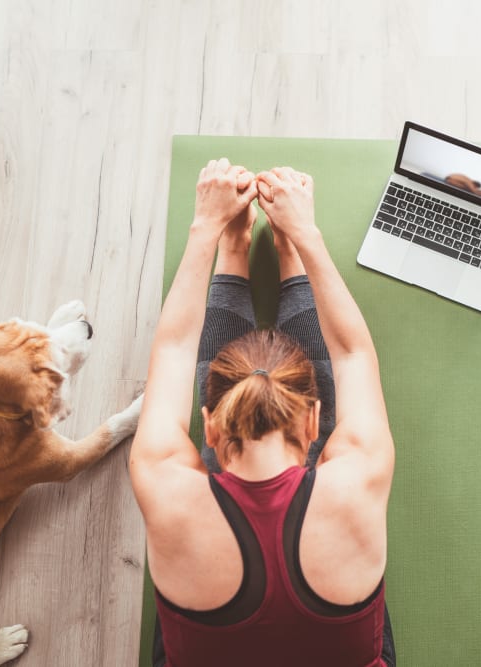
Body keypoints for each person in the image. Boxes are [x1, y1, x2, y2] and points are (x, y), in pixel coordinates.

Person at [130, 158, 396, 666]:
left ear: (207, 426)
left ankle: (235, 248)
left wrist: (209, 230)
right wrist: (305, 235)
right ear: (315, 425)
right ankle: (287, 252)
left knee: (250, 427)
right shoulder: (357, 477)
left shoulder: (168, 489)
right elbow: (353, 354)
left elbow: (173, 351)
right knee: (319, 413)